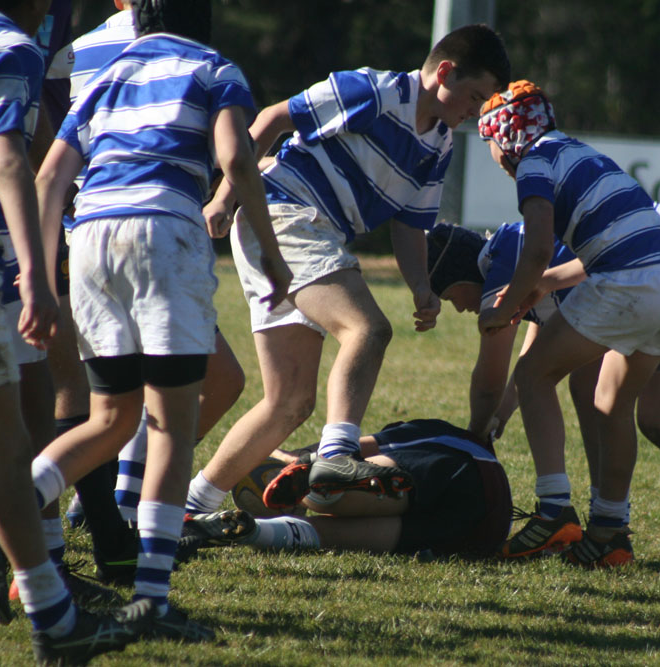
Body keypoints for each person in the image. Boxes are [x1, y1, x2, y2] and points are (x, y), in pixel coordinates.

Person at [24, 0, 291, 640]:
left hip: (91, 238)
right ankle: (151, 599)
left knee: (110, 418)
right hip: (165, 231)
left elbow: (51, 175)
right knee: (171, 423)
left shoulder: (111, 73)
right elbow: (236, 160)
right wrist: (271, 251)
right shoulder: (214, 68)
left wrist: (38, 270)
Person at [183, 24, 511, 520]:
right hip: (285, 212)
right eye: (475, 97)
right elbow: (272, 120)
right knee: (367, 329)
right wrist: (224, 197)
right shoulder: (376, 91)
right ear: (444, 72)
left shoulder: (439, 145)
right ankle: (336, 456)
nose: (475, 111)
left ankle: (189, 508)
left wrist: (422, 286)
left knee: (290, 401)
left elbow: (409, 223)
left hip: (309, 230)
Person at [427, 211, 660, 572]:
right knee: (649, 412)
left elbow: (491, 376)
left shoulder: (501, 260)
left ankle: (578, 517)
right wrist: (504, 410)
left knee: (639, 408)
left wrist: (474, 438)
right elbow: (540, 339)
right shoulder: (515, 244)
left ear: (458, 274)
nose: (456, 308)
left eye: (447, 296)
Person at [0, 0, 152, 662]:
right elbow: (15, 162)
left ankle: (44, 592)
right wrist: (39, 269)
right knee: (12, 455)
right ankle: (50, 611)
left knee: (31, 417)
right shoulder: (0, 54)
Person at [474, 80, 660, 568]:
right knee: (612, 405)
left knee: (532, 375)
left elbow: (536, 249)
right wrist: (543, 285)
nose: (492, 155)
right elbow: (606, 245)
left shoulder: (533, 163)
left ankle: (554, 509)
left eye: (488, 141)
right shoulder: (580, 152)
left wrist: (504, 309)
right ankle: (610, 533)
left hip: (632, 282)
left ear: (505, 137)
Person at [182, 419, 512, 561]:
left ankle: (319, 489)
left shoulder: (434, 432)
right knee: (330, 535)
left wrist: (284, 458)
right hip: (485, 532)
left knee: (335, 493)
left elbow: (357, 447)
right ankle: (253, 531)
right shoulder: (451, 437)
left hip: (466, 470)